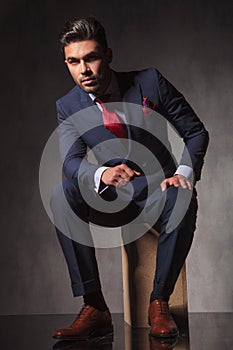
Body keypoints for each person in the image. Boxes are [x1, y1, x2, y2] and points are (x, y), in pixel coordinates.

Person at [51, 16, 209, 341]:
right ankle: (94, 307)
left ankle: (159, 302)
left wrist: (182, 174)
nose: (84, 70)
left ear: (107, 55)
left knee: (181, 196)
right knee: (60, 193)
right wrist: (102, 173)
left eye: (91, 58)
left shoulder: (149, 83)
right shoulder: (68, 106)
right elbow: (71, 163)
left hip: (157, 191)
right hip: (114, 196)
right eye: (73, 61)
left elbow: (195, 132)